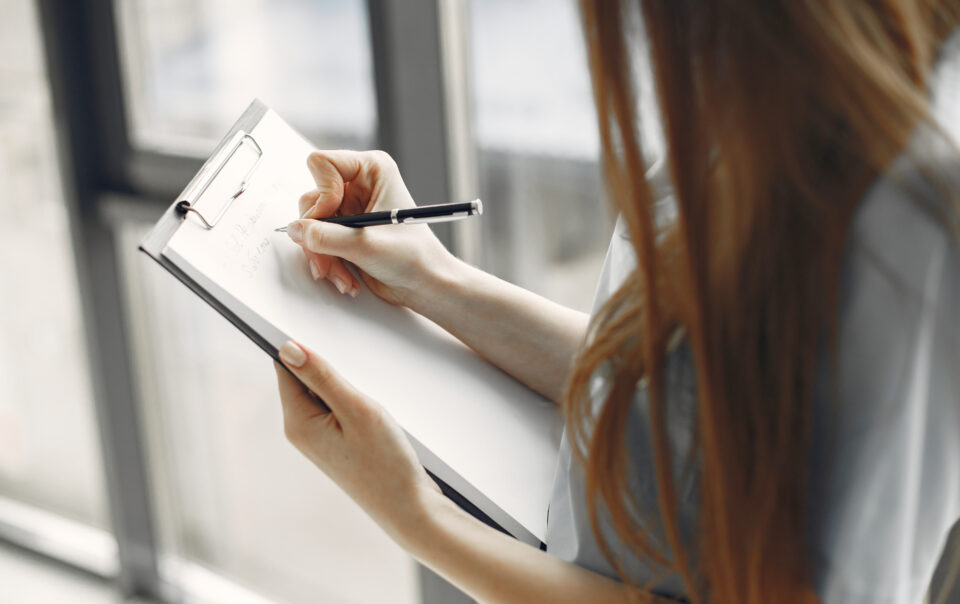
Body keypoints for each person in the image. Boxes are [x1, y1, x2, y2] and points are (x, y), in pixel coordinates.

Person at [273, 1, 960, 602]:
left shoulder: (915, 218)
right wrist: (434, 279)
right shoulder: (755, 94)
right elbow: (682, 392)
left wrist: (421, 517)